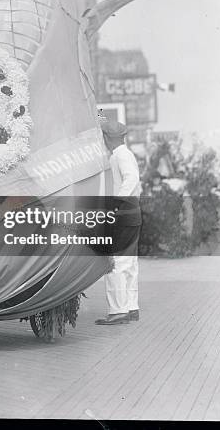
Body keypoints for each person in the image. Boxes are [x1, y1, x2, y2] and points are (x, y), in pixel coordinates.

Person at [95, 120, 142, 326]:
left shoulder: (120, 155)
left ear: (107, 137)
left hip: (123, 214)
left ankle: (118, 311)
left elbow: (131, 179)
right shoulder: (126, 153)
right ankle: (131, 307)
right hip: (133, 214)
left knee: (115, 263)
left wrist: (116, 204)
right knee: (130, 264)